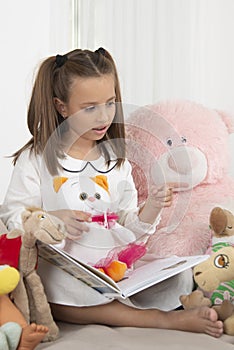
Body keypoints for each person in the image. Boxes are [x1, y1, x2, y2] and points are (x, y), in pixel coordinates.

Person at [0, 48, 223, 338]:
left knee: (179, 279)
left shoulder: (113, 159)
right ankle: (159, 319)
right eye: (90, 107)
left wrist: (153, 206)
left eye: (110, 102)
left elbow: (129, 223)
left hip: (115, 265)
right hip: (62, 267)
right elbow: (12, 218)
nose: (104, 116)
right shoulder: (38, 157)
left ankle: (133, 300)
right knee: (58, 287)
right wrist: (51, 218)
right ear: (61, 106)